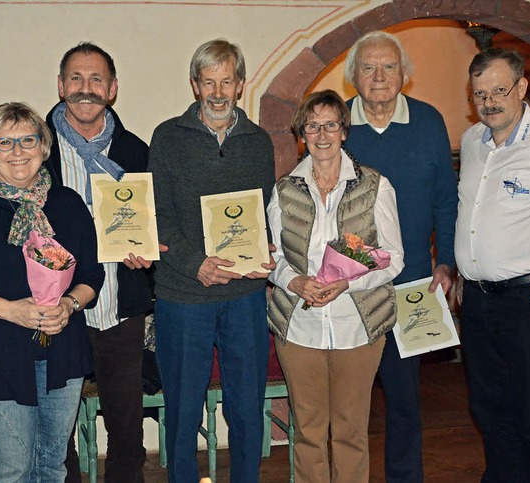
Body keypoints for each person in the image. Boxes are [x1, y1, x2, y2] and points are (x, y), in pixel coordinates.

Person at [0, 102, 104, 481]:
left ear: (43, 147)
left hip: (62, 355)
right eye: (5, 142)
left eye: (27, 140)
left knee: (51, 466)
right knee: (12, 468)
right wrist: (11, 311)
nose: (17, 151)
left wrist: (71, 305)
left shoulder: (68, 204)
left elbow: (92, 273)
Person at [148, 38, 276, 482]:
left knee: (246, 408)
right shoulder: (167, 137)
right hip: (184, 296)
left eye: (227, 81)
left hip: (244, 295)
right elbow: (158, 216)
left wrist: (268, 249)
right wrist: (196, 263)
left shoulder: (259, 142)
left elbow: (264, 212)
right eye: (209, 82)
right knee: (183, 413)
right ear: (195, 85)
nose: (218, 92)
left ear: (241, 84)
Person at [267, 89, 404, 482]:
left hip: (358, 326)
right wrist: (294, 280)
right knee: (308, 432)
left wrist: (349, 283)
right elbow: (271, 256)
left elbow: (394, 258)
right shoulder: (284, 190)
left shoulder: (375, 186)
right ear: (302, 133)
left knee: (350, 432)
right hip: (299, 326)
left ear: (344, 131)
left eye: (330, 125)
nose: (322, 134)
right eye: (313, 126)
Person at [343, 30, 458, 483]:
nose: (379, 76)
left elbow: (446, 200)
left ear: (404, 75)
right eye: (368, 67)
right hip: (349, 287)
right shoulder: (338, 123)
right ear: (353, 75)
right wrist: (365, 264)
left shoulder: (428, 121)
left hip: (414, 286)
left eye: (389, 66)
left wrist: (445, 260)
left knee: (405, 401)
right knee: (347, 403)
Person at [44, 42, 155, 483]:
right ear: (60, 85)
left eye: (95, 80)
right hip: (57, 309)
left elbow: (155, 221)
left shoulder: (135, 150)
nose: (84, 89)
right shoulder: (36, 149)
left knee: (126, 424)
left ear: (112, 89)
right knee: (58, 427)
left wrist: (149, 253)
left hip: (118, 306)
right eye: (75, 78)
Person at [455, 48, 530, 483]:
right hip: (478, 303)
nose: (489, 102)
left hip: (528, 301)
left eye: (499, 90)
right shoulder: (472, 142)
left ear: (522, 88)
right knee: (488, 406)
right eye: (479, 93)